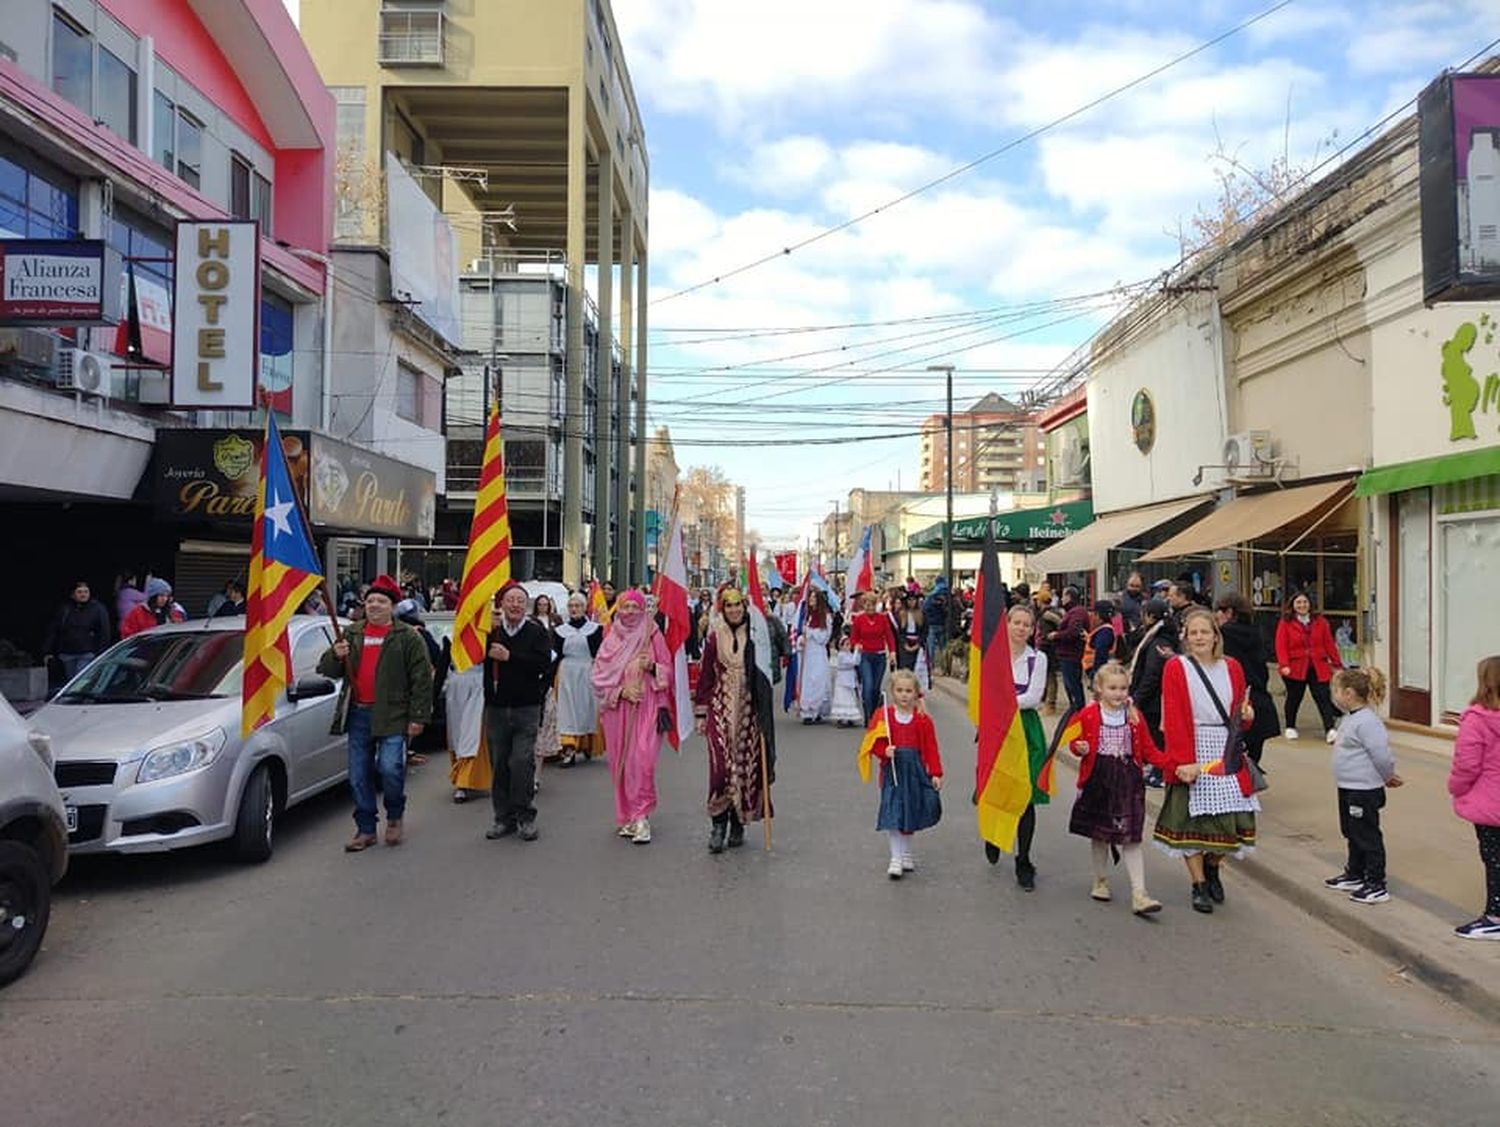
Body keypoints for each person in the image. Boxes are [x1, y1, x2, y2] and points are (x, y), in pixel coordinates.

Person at [1151, 607, 1259, 914]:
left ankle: (1213, 866)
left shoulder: (1233, 667)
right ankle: (1198, 884)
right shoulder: (1177, 667)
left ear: (1215, 636)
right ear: (1186, 636)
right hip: (1193, 747)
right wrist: (1183, 761)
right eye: (1193, 632)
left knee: (1233, 822)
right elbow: (1173, 718)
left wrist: (1247, 717)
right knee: (1192, 823)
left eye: (1205, 632)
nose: (1199, 637)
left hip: (1226, 749)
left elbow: (1239, 711)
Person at [319, 574, 433, 851]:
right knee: (358, 775)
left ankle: (394, 816)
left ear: (392, 606)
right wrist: (336, 654)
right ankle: (366, 828)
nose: (375, 606)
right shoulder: (351, 633)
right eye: (370, 601)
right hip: (358, 713)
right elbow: (328, 670)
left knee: (390, 769)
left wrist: (418, 717)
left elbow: (421, 679)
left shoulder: (407, 637)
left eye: (381, 601)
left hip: (394, 714)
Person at [1066, 661, 1169, 916]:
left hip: (1128, 780)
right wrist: (1079, 748)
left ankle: (1140, 893)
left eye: (1123, 688)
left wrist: (1173, 765)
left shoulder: (1134, 716)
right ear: (1099, 688)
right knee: (1100, 835)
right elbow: (1075, 741)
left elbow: (1148, 749)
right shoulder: (1088, 714)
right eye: (1112, 687)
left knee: (1132, 837)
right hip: (1098, 779)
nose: (1118, 693)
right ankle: (1100, 880)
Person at [693, 587, 776, 854]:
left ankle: (739, 822)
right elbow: (706, 676)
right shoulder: (715, 638)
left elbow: (768, 673)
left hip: (750, 713)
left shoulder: (755, 638)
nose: (734, 611)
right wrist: (701, 712)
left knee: (745, 766)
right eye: (729, 607)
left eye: (738, 606)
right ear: (723, 609)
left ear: (744, 607)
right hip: (720, 709)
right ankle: (718, 824)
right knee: (720, 769)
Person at [592, 590, 673, 844]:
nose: (629, 611)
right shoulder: (610, 638)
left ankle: (642, 817)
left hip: (647, 706)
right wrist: (620, 691)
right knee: (623, 763)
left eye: (634, 607)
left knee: (643, 760)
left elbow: (669, 671)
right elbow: (598, 677)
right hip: (618, 710)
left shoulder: (653, 634)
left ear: (642, 610)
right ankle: (628, 815)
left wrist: (652, 667)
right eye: (624, 606)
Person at [983, 603, 1051, 890]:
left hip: (1025, 730)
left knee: (1025, 796)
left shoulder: (1039, 659)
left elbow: (1034, 697)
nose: (1022, 628)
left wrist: (1004, 702)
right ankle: (994, 835)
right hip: (997, 729)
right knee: (997, 787)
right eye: (1017, 623)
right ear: (1007, 625)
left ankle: (1024, 860)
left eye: (1027, 624)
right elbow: (983, 690)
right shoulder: (992, 656)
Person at [482, 581, 554, 843]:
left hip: (526, 707)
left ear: (527, 606)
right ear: (501, 604)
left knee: (521, 762)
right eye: (510, 600)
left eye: (520, 601)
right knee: (500, 763)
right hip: (498, 708)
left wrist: (511, 657)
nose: (515, 605)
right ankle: (503, 817)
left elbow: (544, 664)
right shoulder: (491, 632)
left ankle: (526, 816)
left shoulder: (536, 633)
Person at [1324, 667, 1402, 905]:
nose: (1333, 696)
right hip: (1348, 785)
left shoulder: (1368, 721)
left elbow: (1381, 755)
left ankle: (1376, 883)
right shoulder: (1350, 718)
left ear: (1348, 693)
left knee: (1366, 834)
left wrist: (1388, 775)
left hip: (1363, 789)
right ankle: (1355, 873)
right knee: (1351, 830)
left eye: (1334, 691)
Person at [865, 668, 943, 879]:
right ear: (892, 692)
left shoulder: (922, 719)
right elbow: (873, 741)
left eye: (908, 691)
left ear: (916, 693)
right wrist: (884, 751)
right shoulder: (885, 716)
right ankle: (895, 857)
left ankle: (906, 851)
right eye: (899, 690)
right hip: (892, 772)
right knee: (894, 813)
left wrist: (935, 773)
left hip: (915, 771)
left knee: (910, 812)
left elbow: (931, 747)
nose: (904, 695)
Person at [1449, 656, 1500, 940]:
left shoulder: (1477, 718)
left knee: (1494, 859)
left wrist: (1456, 788)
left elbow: (1466, 765)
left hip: (1490, 804)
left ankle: (1495, 917)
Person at [1215, 593, 1278, 766]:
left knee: (1232, 755)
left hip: (1236, 699)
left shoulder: (1223, 635)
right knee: (1252, 755)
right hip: (1259, 698)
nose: (1216, 615)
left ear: (1229, 612)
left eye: (1218, 611)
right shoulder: (1256, 632)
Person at [1275, 592, 1343, 743]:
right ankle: (1290, 726)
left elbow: (1329, 644)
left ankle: (1330, 729)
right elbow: (1281, 646)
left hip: (1318, 665)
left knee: (1323, 697)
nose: (1302, 606)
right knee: (1294, 698)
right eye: (1298, 603)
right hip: (1295, 667)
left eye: (1304, 602)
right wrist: (1284, 664)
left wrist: (1337, 664)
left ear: (1310, 604)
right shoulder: (1286, 623)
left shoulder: (1321, 622)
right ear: (1293, 605)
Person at [1128, 598, 1178, 776]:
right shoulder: (1154, 636)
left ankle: (1159, 773)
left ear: (1150, 616)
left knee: (1156, 739)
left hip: (1154, 701)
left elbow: (1152, 675)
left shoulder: (1158, 642)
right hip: (1153, 699)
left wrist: (1137, 698)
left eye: (1144, 614)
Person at [554, 592, 604, 766]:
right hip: (567, 673)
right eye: (571, 606)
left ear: (584, 608)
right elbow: (555, 654)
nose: (574, 609)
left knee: (586, 708)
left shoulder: (595, 629)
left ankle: (586, 743)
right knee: (566, 711)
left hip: (587, 671)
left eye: (577, 606)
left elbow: (600, 653)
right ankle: (568, 748)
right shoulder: (560, 631)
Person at [42, 580, 111, 682]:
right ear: (73, 594)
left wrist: (102, 651)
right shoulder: (65, 609)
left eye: (86, 592)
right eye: (79, 592)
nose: (83, 595)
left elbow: (104, 631)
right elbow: (54, 630)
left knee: (80, 680)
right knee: (71, 681)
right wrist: (47, 650)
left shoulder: (97, 609)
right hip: (67, 652)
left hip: (88, 652)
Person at [849, 590, 896, 725]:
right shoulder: (859, 620)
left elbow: (889, 636)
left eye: (872, 605)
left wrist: (892, 652)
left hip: (880, 656)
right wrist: (856, 645)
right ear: (863, 605)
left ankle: (875, 712)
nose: (870, 608)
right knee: (868, 686)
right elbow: (854, 638)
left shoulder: (882, 618)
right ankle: (868, 714)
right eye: (867, 605)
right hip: (866, 657)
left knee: (876, 688)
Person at [1047, 586, 1090, 715]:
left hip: (1071, 655)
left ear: (1069, 597)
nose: (1061, 598)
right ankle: (1076, 709)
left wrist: (1056, 635)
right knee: (1070, 684)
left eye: (1064, 596)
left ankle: (1078, 710)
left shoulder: (1077, 612)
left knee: (1073, 684)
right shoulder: (1072, 612)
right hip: (1066, 654)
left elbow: (1073, 632)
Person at [797, 587, 834, 724]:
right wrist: (801, 640)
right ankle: (807, 711)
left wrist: (811, 633)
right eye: (810, 598)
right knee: (808, 681)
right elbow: (803, 634)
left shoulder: (826, 617)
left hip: (818, 653)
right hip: (808, 655)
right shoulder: (808, 616)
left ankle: (817, 710)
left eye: (813, 598)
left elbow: (824, 638)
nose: (811, 601)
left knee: (817, 680)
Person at [120, 577, 186, 637]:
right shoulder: (138, 612)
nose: (164, 599)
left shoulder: (173, 612)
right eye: (161, 595)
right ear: (153, 596)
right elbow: (128, 634)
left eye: (167, 596)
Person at [1036, 587, 1063, 714]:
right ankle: (1047, 701)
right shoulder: (1055, 611)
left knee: (1050, 676)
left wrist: (1045, 639)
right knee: (1047, 676)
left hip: (1049, 648)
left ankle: (1050, 704)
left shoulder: (1047, 615)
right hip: (1050, 647)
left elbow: (1051, 630)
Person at [830, 631, 862, 728]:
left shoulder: (849, 654)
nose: (849, 646)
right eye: (846, 644)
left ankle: (850, 717)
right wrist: (856, 651)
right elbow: (852, 663)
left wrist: (858, 653)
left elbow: (857, 661)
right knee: (843, 698)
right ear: (841, 646)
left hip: (850, 679)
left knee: (850, 698)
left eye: (849, 644)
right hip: (843, 681)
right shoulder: (841, 655)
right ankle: (842, 716)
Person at [894, 591, 925, 676]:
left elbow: (924, 631)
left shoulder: (921, 614)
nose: (912, 602)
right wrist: (904, 644)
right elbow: (899, 632)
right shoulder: (901, 614)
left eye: (914, 600)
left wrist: (918, 643)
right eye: (909, 600)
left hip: (916, 643)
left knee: (915, 668)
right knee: (903, 668)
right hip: (904, 643)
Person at [1083, 599, 1116, 676]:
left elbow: (1100, 652)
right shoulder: (1106, 629)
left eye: (1093, 613)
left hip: (1098, 671)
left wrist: (1096, 673)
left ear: (1098, 615)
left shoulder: (1104, 632)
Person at [922, 577, 949, 661]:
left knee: (931, 646)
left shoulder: (931, 596)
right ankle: (945, 664)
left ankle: (931, 664)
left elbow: (924, 609)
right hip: (941, 623)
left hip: (931, 624)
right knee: (943, 647)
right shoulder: (947, 594)